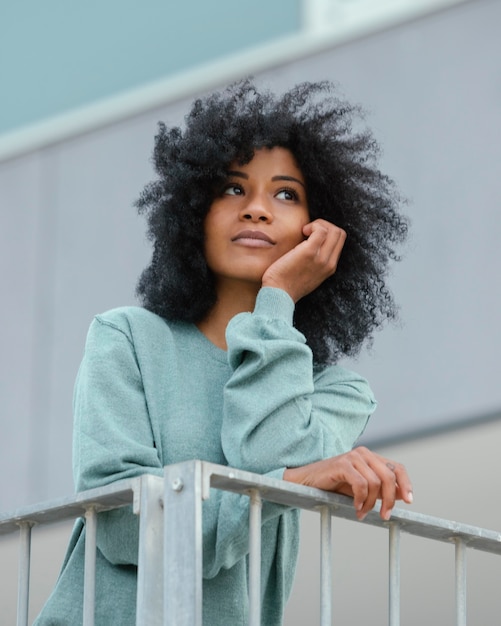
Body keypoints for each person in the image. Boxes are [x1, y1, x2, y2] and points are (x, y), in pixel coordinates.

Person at [35, 80, 413, 625]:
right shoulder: (128, 339)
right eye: (233, 189)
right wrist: (295, 482)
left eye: (286, 194)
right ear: (193, 211)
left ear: (320, 229)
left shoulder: (336, 391)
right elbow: (121, 528)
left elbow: (265, 448)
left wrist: (276, 299)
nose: (258, 210)